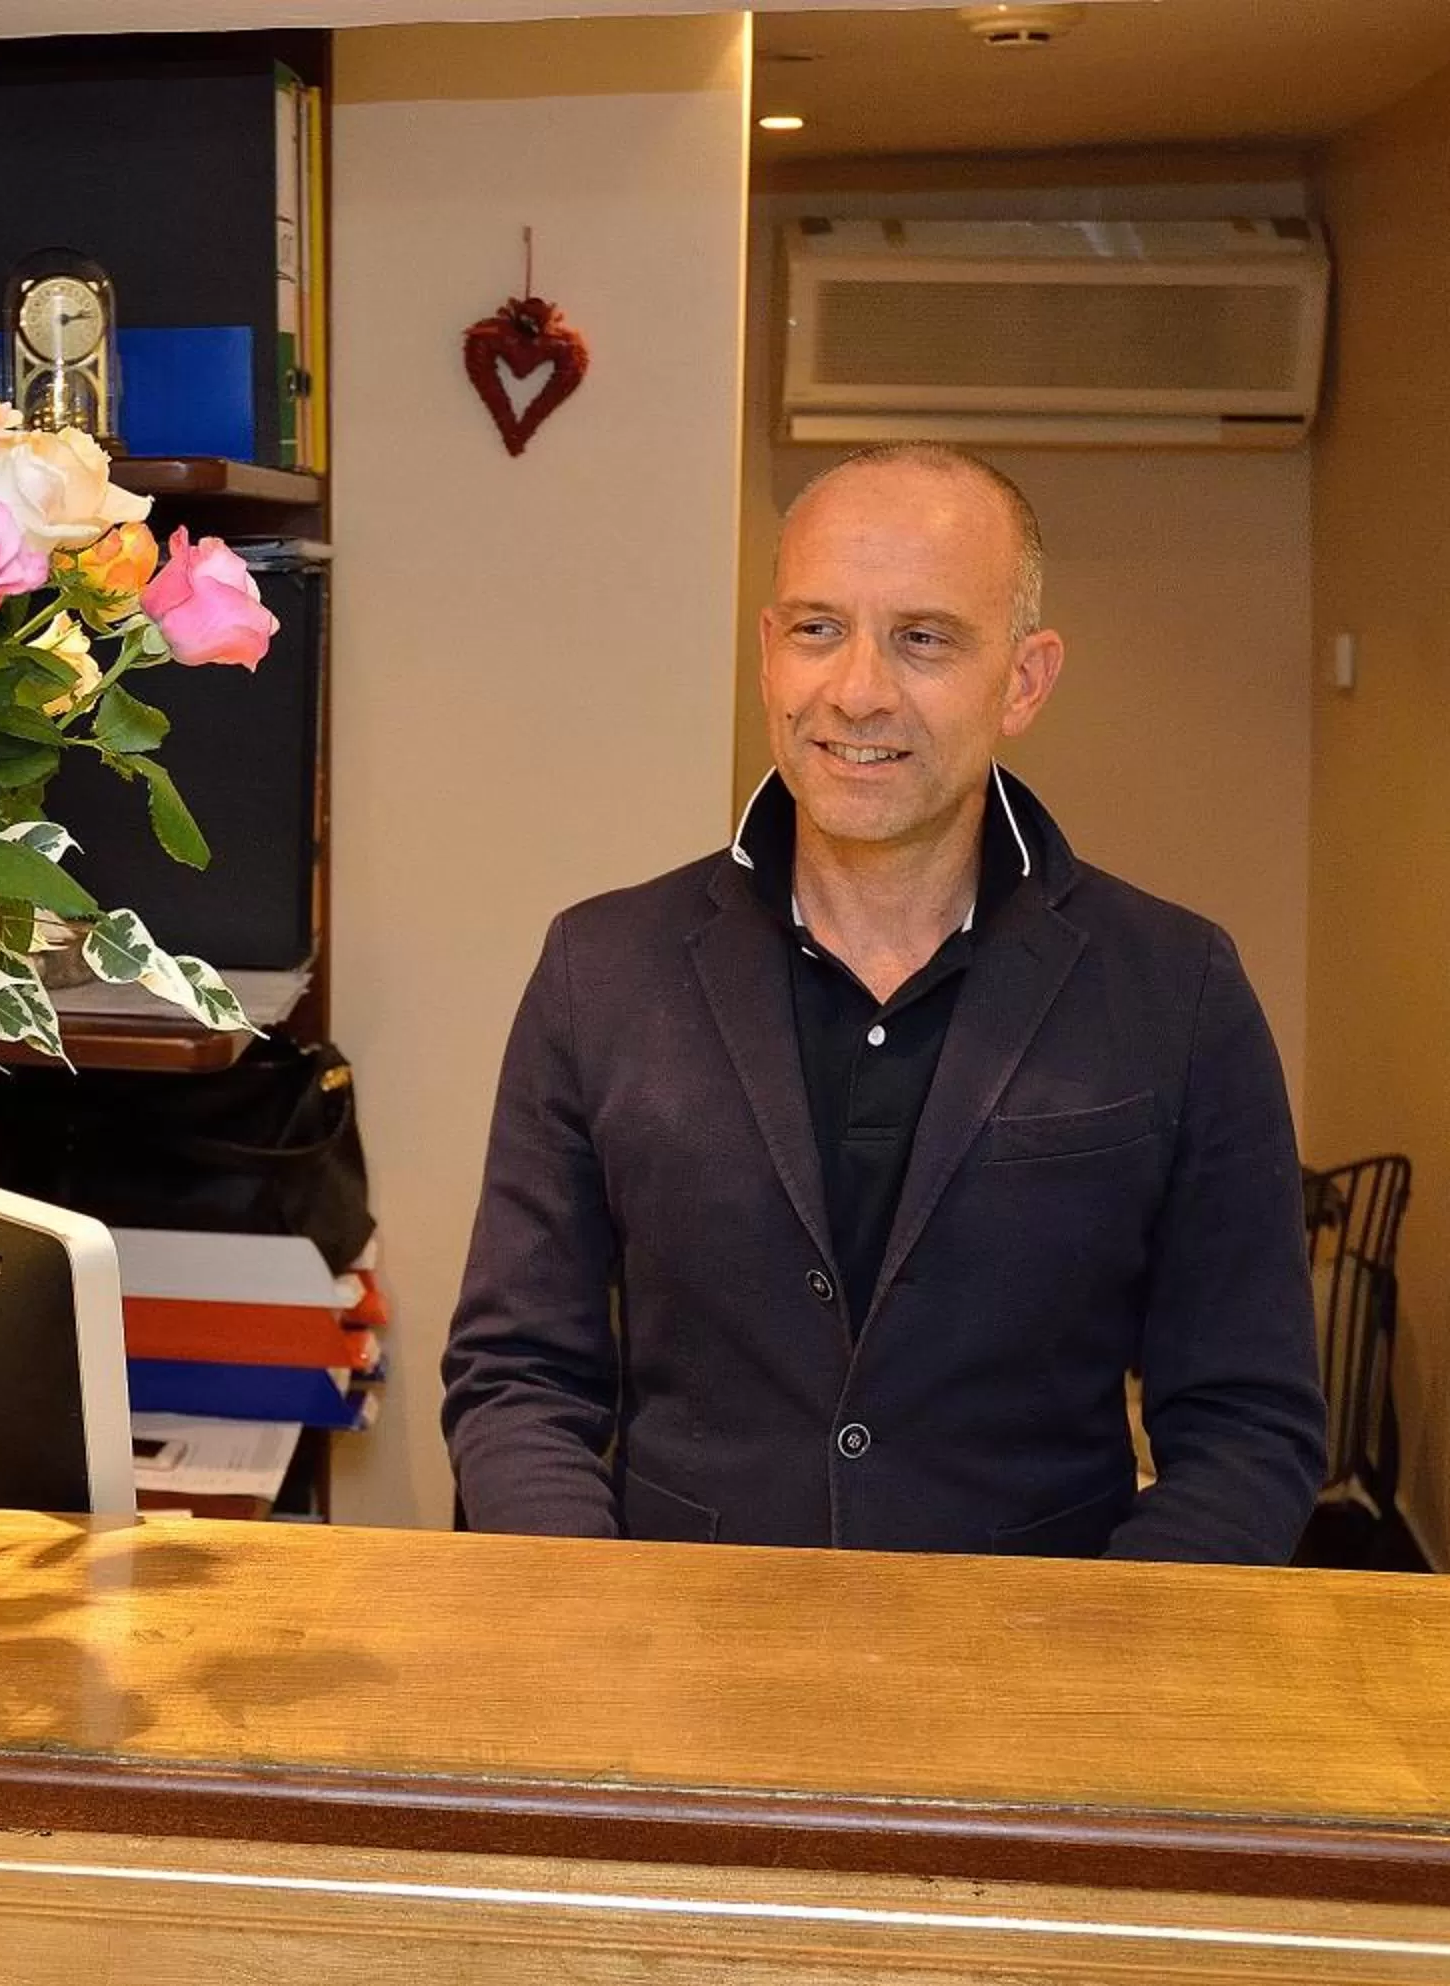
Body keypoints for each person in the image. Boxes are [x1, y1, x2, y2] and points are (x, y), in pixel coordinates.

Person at [441, 444, 1325, 1563]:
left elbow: (1251, 1423)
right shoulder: (601, 968)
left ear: (1025, 679)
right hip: (675, 1675)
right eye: (818, 628)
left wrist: (1107, 1675)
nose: (857, 690)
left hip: (1040, 1680)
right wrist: (586, 1622)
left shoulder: (1177, 987)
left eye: (924, 638)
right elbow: (520, 1376)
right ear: (768, 654)